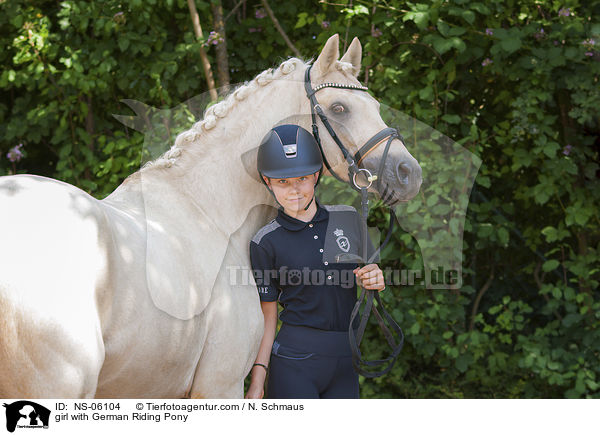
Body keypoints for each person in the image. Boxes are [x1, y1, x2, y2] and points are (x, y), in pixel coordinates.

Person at [245, 124, 385, 399]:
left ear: (317, 175)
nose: (294, 190)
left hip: (346, 359)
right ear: (267, 181)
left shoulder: (348, 218)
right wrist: (257, 380)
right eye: (282, 182)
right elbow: (268, 317)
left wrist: (378, 279)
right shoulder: (265, 241)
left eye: (302, 179)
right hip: (294, 361)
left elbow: (371, 275)